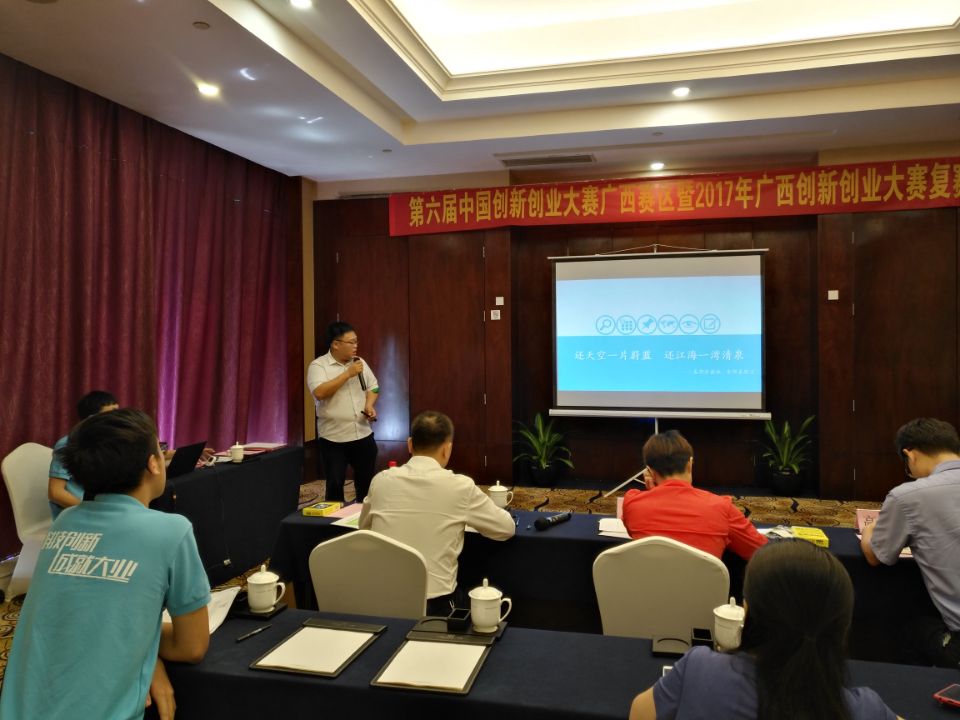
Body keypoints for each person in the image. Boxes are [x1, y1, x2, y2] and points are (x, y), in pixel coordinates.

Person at [0, 409, 211, 720]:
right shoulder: (172, 530)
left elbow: (70, 617)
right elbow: (191, 646)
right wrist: (148, 645)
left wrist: (148, 655)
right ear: (153, 463)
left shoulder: (64, 523)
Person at [629, 540, 901, 720]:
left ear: (747, 611)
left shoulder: (701, 669)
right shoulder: (866, 710)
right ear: (842, 625)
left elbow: (639, 713)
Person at [359, 410, 515, 614]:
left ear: (409, 444)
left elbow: (364, 528)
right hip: (435, 607)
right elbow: (506, 528)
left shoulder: (380, 481)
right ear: (447, 449)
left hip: (381, 602)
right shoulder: (460, 486)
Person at [860, 417, 960, 668]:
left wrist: (871, 528)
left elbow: (876, 555)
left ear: (910, 455)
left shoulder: (908, 495)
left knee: (908, 629)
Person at [621, 430, 767, 560]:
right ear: (690, 464)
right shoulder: (721, 507)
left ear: (650, 472)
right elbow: (761, 551)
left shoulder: (632, 504)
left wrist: (652, 492)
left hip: (649, 583)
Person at [307, 322, 379, 502]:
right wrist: (347, 374)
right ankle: (335, 520)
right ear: (335, 344)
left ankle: (364, 516)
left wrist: (369, 405)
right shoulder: (318, 366)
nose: (356, 346)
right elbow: (320, 392)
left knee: (366, 484)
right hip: (333, 438)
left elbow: (374, 387)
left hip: (362, 433)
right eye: (351, 342)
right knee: (335, 485)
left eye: (356, 341)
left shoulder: (359, 362)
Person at [48, 389, 119, 518]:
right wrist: (94, 512)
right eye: (112, 413)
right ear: (91, 418)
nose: (118, 418)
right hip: (76, 515)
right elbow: (55, 493)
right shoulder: (68, 444)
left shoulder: (107, 443)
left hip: (101, 509)